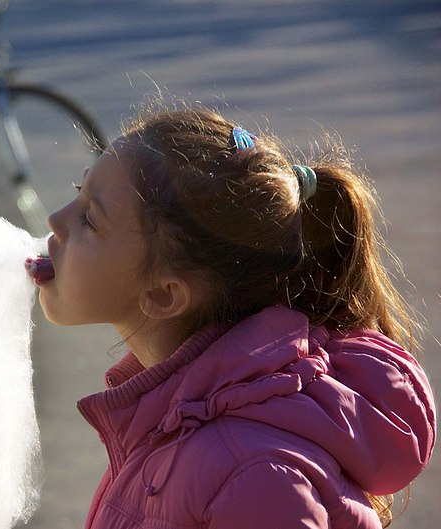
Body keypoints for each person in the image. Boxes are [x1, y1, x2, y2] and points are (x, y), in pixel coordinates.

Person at [31, 103, 436, 528]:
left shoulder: (252, 474)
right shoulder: (167, 420)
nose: (55, 220)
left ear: (164, 294)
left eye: (90, 220)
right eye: (78, 191)